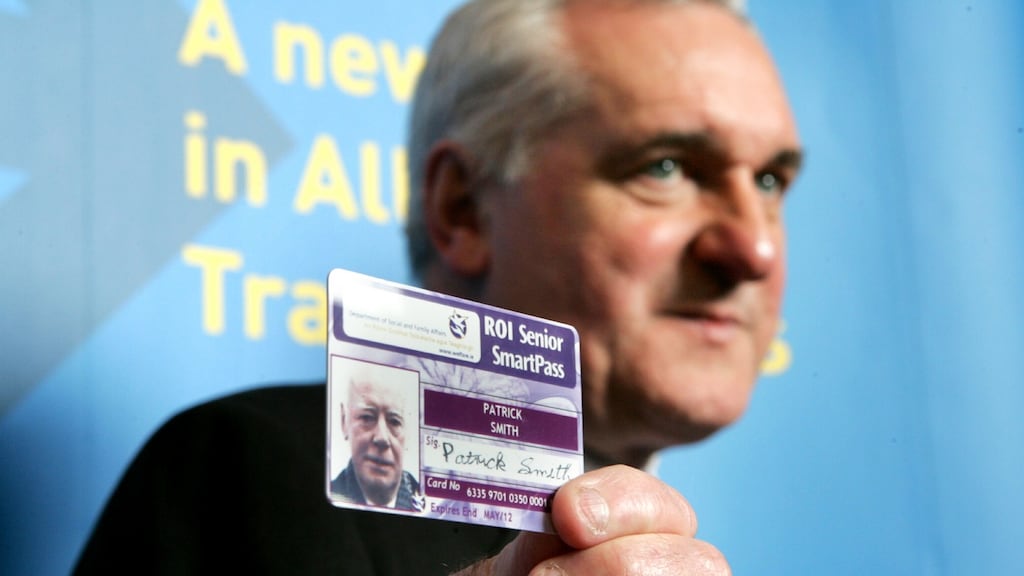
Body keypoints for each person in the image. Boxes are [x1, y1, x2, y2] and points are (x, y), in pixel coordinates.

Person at [75, 0, 802, 574]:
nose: (755, 247)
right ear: (464, 209)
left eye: (770, 181)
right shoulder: (247, 473)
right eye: (665, 168)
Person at [329, 362, 424, 512]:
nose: (382, 438)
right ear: (344, 421)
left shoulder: (433, 503)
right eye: (367, 417)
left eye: (394, 421)